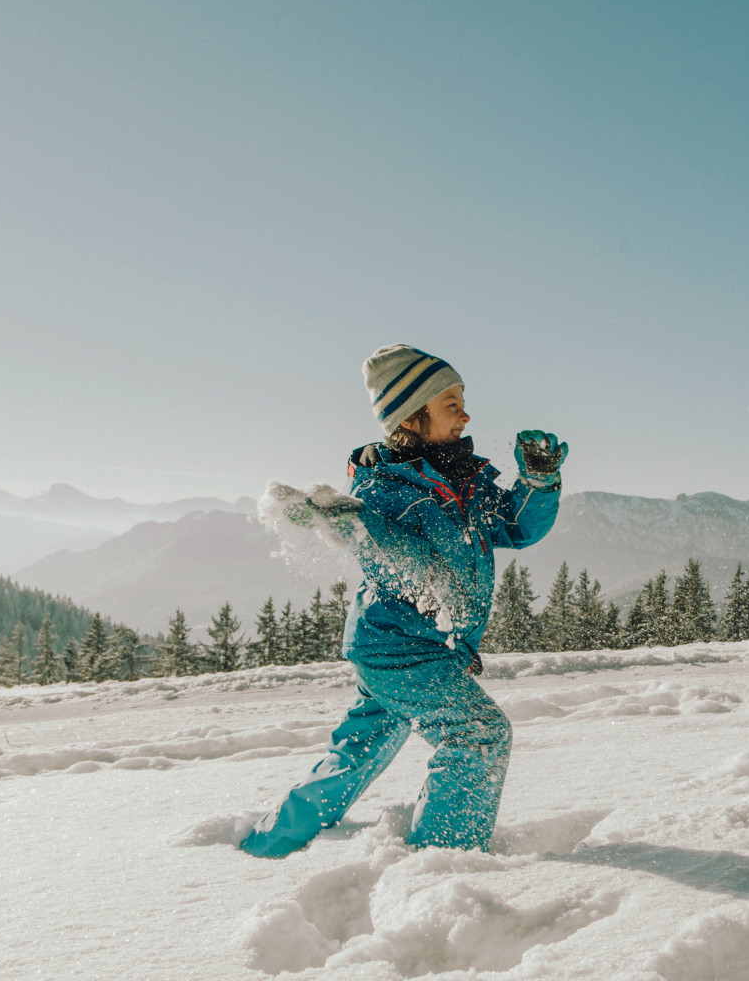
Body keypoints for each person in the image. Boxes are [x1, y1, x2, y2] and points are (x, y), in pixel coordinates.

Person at [239, 344, 566, 857]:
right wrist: (353, 524)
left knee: (361, 749)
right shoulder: (384, 488)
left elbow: (516, 526)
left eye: (462, 400)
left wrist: (539, 481)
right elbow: (404, 565)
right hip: (401, 650)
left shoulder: (464, 477)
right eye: (450, 403)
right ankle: (442, 866)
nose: (465, 414)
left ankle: (269, 842)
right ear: (412, 416)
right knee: (476, 736)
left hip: (403, 646)